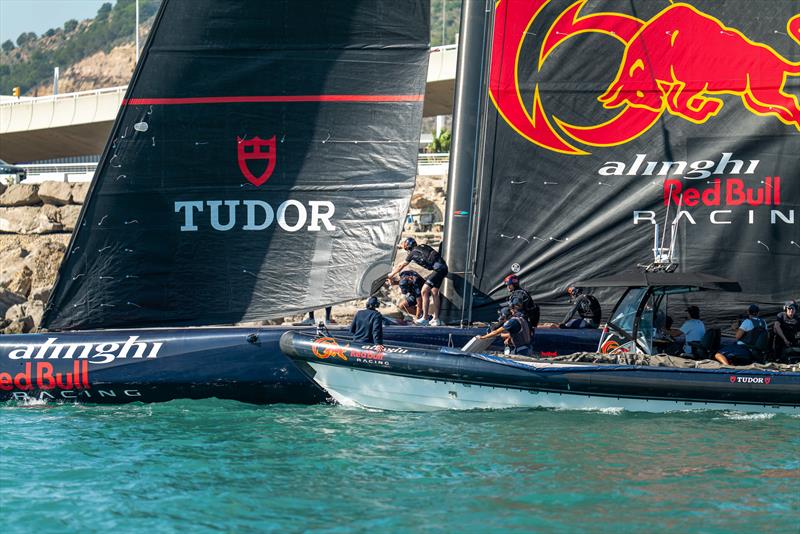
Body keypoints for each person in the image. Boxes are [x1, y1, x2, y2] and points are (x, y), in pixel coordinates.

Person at [386, 237, 448, 326]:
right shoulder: (422, 247)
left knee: (424, 291)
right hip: (442, 268)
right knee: (434, 292)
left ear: (407, 246)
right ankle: (436, 319)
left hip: (438, 269)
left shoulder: (413, 253)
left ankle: (425, 318)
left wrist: (391, 275)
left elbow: (401, 266)